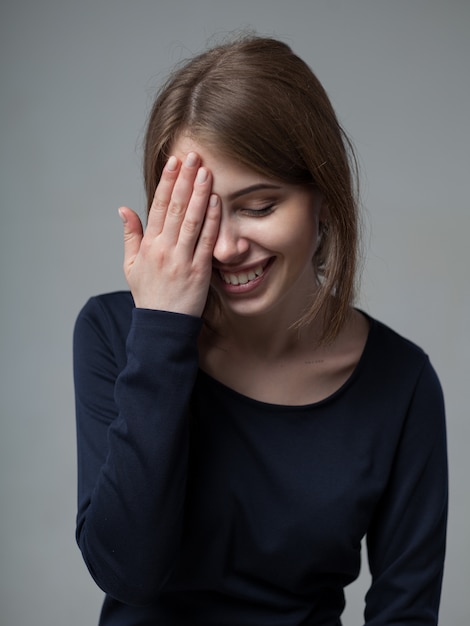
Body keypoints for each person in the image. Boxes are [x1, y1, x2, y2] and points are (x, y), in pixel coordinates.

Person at [73, 35, 447, 626]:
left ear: (322, 198)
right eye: (201, 214)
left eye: (259, 206)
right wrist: (162, 331)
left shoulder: (402, 383)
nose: (225, 247)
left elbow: (406, 611)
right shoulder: (116, 333)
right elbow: (127, 573)